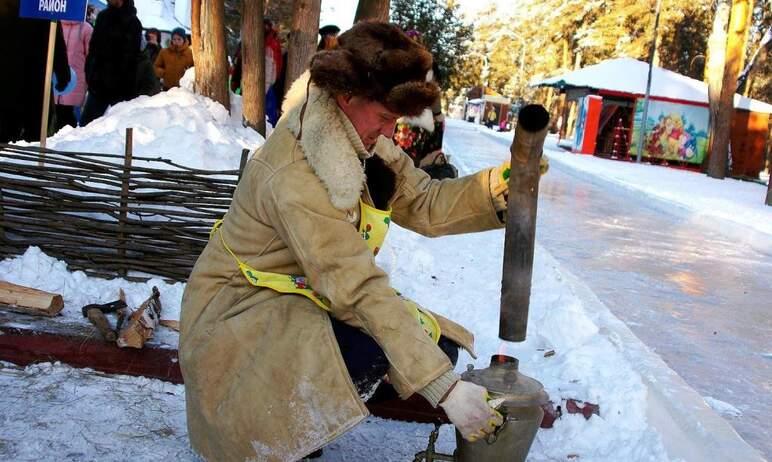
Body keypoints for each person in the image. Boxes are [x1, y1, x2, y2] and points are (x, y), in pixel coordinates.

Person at [180, 22, 517, 462]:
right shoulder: (295, 171)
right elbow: (353, 285)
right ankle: (283, 431)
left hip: (298, 301)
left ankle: (308, 408)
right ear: (346, 97)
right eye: (384, 119)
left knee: (437, 349)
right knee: (376, 351)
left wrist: (502, 188)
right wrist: (446, 389)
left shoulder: (357, 137)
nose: (389, 133)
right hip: (239, 317)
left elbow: (427, 200)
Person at [0, 0, 70, 142]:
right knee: (34, 138)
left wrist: (62, 71)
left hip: (15, 81)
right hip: (34, 82)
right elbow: (54, 35)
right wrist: (63, 72)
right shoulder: (41, 4)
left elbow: (54, 35)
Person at [392, 30, 457, 180]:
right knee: (418, 167)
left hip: (401, 122)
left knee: (397, 162)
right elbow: (435, 97)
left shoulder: (396, 63)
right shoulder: (429, 65)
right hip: (423, 122)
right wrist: (438, 118)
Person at [80, 0, 142, 126]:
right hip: (99, 84)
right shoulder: (103, 17)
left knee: (119, 129)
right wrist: (90, 72)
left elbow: (132, 58)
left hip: (122, 86)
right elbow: (93, 48)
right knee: (85, 126)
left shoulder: (133, 22)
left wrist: (127, 84)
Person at [55, 20, 93, 130]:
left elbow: (91, 58)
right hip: (56, 82)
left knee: (68, 121)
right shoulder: (55, 24)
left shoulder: (86, 29)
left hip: (75, 84)